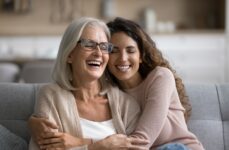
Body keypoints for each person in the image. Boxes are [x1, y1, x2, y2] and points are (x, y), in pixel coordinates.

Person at [28, 17, 148, 150]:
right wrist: (99, 146)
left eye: (104, 47)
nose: (98, 53)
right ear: (69, 54)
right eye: (89, 44)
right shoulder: (51, 96)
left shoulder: (125, 104)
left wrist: (79, 143)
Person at [106, 17, 204, 150]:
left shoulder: (160, 77)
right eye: (114, 51)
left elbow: (142, 141)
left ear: (141, 56)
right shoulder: (108, 93)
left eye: (130, 50)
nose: (123, 58)